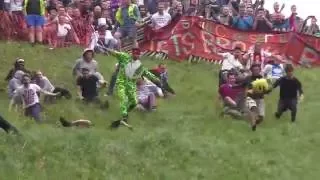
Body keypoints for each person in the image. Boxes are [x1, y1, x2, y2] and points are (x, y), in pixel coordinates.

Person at [105, 47, 160, 129]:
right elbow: (115, 53)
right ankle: (124, 117)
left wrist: (156, 79)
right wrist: (110, 51)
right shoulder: (124, 56)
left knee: (134, 102)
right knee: (122, 98)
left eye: (137, 54)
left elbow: (146, 72)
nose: (136, 56)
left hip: (131, 85)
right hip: (122, 83)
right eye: (134, 54)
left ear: (139, 55)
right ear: (132, 53)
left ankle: (126, 112)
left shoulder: (139, 65)